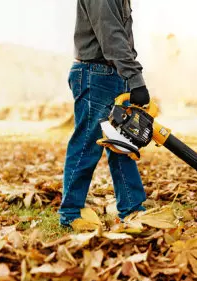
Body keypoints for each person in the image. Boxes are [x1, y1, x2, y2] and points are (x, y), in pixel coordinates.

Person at [59, 0, 150, 226]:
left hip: (110, 73)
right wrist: (135, 79)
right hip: (96, 73)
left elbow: (121, 37)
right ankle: (70, 214)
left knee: (121, 144)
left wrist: (127, 78)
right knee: (86, 145)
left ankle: (132, 208)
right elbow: (111, 35)